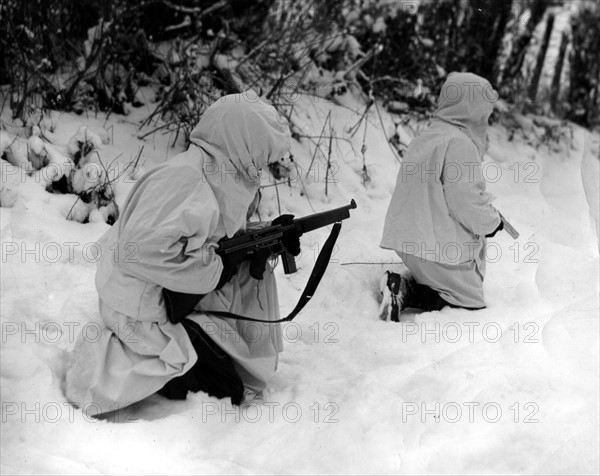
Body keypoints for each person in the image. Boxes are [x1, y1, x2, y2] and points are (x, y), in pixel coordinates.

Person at [64, 91, 299, 415]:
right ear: (240, 142)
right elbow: (141, 251)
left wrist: (267, 237)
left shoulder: (216, 172)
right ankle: (104, 362)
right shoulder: (186, 178)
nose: (260, 167)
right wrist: (218, 268)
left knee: (228, 372)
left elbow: (208, 238)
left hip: (161, 292)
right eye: (259, 155)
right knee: (224, 389)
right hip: (137, 306)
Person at [379, 72, 504, 321]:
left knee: (446, 282)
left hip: (409, 241)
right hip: (436, 247)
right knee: (468, 304)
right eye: (483, 112)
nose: (484, 121)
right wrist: (491, 222)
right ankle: (404, 289)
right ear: (471, 108)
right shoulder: (460, 143)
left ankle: (410, 284)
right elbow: (465, 200)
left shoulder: (427, 136)